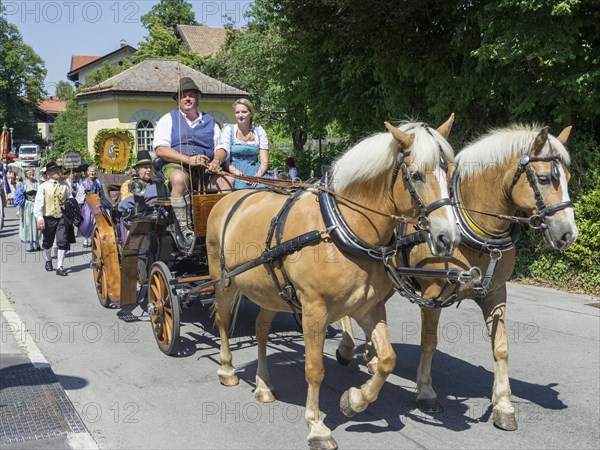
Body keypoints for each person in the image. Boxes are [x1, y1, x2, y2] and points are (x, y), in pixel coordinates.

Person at [153, 76, 228, 247]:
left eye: (191, 95)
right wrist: (188, 160)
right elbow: (160, 149)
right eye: (183, 95)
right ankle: (186, 231)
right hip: (176, 165)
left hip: (206, 169)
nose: (187, 98)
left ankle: (222, 226)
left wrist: (216, 160)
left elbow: (222, 147)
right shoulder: (168, 119)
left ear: (198, 98)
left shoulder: (211, 121)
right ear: (178, 100)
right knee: (179, 179)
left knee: (228, 181)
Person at [33, 162, 71, 276]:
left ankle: (60, 266)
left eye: (58, 170)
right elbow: (38, 204)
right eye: (54, 171)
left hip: (62, 217)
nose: (57, 172)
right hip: (48, 217)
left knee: (62, 241)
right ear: (48, 174)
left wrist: (68, 205)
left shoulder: (65, 185)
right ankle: (48, 260)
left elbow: (70, 199)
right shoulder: (43, 186)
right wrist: (39, 218)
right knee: (47, 242)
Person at [221, 98, 269, 190]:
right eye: (237, 112)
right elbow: (226, 163)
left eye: (244, 112)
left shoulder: (259, 131)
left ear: (250, 114)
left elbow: (265, 162)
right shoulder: (228, 130)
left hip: (256, 172)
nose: (240, 115)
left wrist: (257, 177)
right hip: (235, 172)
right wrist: (242, 176)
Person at [13, 168, 42, 251]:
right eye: (29, 173)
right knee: (28, 224)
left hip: (36, 205)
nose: (31, 174)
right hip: (27, 206)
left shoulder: (38, 183)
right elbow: (19, 197)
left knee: (37, 224)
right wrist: (18, 209)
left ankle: (37, 243)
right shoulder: (23, 184)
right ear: (26, 174)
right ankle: (30, 245)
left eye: (32, 173)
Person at [77, 165, 103, 248]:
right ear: (87, 172)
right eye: (90, 171)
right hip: (87, 205)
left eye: (93, 171)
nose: (92, 172)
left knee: (95, 222)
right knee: (87, 221)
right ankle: (86, 239)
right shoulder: (84, 183)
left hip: (97, 204)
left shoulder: (99, 182)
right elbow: (80, 194)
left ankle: (93, 239)